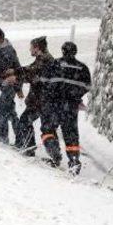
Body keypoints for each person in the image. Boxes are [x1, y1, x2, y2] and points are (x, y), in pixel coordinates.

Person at [38, 42, 91, 173]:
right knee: (71, 134)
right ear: (75, 52)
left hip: (53, 105)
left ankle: (55, 155)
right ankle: (74, 162)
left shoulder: (53, 64)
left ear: (62, 51)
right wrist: (75, 95)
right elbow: (87, 87)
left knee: (48, 130)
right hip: (71, 107)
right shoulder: (82, 68)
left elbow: (43, 82)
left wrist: (50, 94)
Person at [4, 36, 54, 156]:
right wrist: (15, 71)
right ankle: (31, 147)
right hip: (41, 99)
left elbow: (32, 74)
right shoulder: (43, 58)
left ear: (37, 48)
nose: (30, 50)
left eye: (31, 47)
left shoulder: (44, 60)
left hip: (41, 99)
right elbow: (29, 69)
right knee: (37, 125)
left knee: (26, 121)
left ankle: (30, 148)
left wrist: (16, 76)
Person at [0, 28, 22, 144]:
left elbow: (17, 69)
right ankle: (20, 137)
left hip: (8, 87)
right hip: (6, 86)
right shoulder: (0, 50)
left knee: (1, 112)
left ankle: (4, 137)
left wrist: (18, 88)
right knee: (11, 113)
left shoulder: (8, 51)